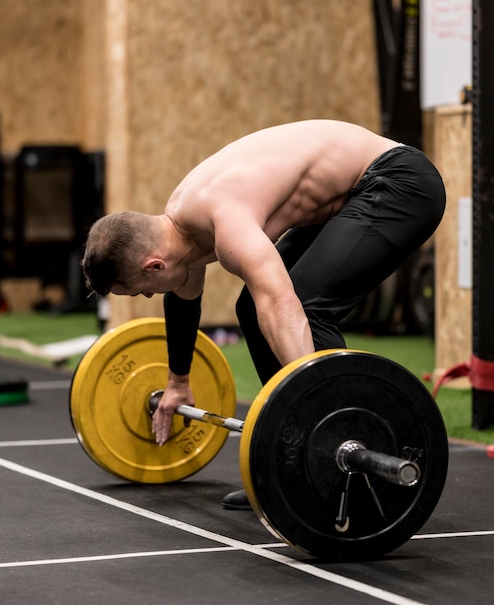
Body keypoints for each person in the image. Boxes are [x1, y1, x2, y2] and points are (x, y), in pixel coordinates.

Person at [82, 119, 446, 509]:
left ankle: (342, 456)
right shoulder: (180, 226)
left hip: (399, 182)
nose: (151, 296)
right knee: (249, 306)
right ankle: (299, 462)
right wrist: (178, 382)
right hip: (350, 196)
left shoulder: (224, 218)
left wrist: (321, 412)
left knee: (305, 306)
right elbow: (184, 300)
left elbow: (282, 305)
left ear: (154, 265)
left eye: (143, 290)